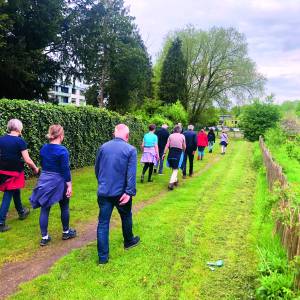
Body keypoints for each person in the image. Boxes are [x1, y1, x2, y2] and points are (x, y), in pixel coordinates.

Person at [95, 124, 140, 264]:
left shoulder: (103, 147)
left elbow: (97, 169)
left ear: (115, 133)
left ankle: (103, 258)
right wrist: (129, 192)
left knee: (103, 223)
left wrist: (102, 183)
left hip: (104, 191)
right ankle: (129, 241)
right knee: (126, 216)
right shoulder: (131, 149)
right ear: (127, 136)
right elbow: (131, 174)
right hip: (121, 193)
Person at [30, 125, 76, 246]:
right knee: (64, 206)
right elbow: (65, 170)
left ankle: (44, 237)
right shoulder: (62, 150)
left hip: (45, 179)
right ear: (61, 136)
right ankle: (66, 232)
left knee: (45, 208)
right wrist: (69, 185)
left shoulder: (44, 148)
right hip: (59, 180)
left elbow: (43, 164)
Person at [0, 119, 39, 232]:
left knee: (15, 190)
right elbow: (27, 159)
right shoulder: (20, 141)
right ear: (18, 128)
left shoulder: (1, 139)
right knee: (8, 194)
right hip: (14, 172)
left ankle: (21, 212)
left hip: (2, 170)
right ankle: (1, 222)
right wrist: (35, 168)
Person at [163, 125, 186, 190]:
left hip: (171, 153)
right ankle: (171, 183)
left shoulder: (170, 136)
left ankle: (175, 181)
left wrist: (164, 153)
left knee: (174, 167)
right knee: (176, 169)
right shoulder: (182, 136)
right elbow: (184, 146)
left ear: (174, 130)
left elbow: (167, 145)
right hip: (178, 153)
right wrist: (184, 151)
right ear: (180, 130)